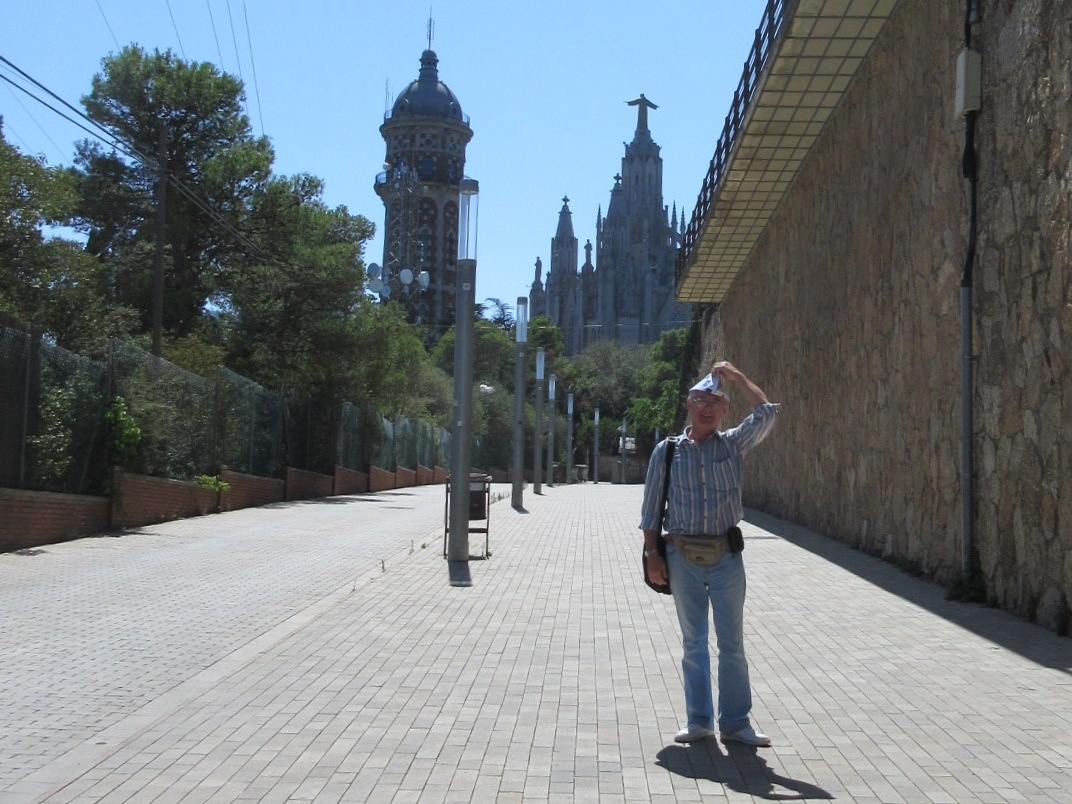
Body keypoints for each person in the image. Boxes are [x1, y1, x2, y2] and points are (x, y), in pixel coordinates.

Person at [639, 360, 780, 746]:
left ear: (724, 411)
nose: (708, 407)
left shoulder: (733, 443)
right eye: (701, 399)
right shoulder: (667, 452)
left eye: (716, 401)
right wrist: (652, 554)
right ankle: (699, 721)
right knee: (693, 642)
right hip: (682, 556)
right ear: (689, 403)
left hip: (726, 557)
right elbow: (651, 509)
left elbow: (766, 413)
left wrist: (736, 377)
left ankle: (736, 724)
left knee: (731, 641)